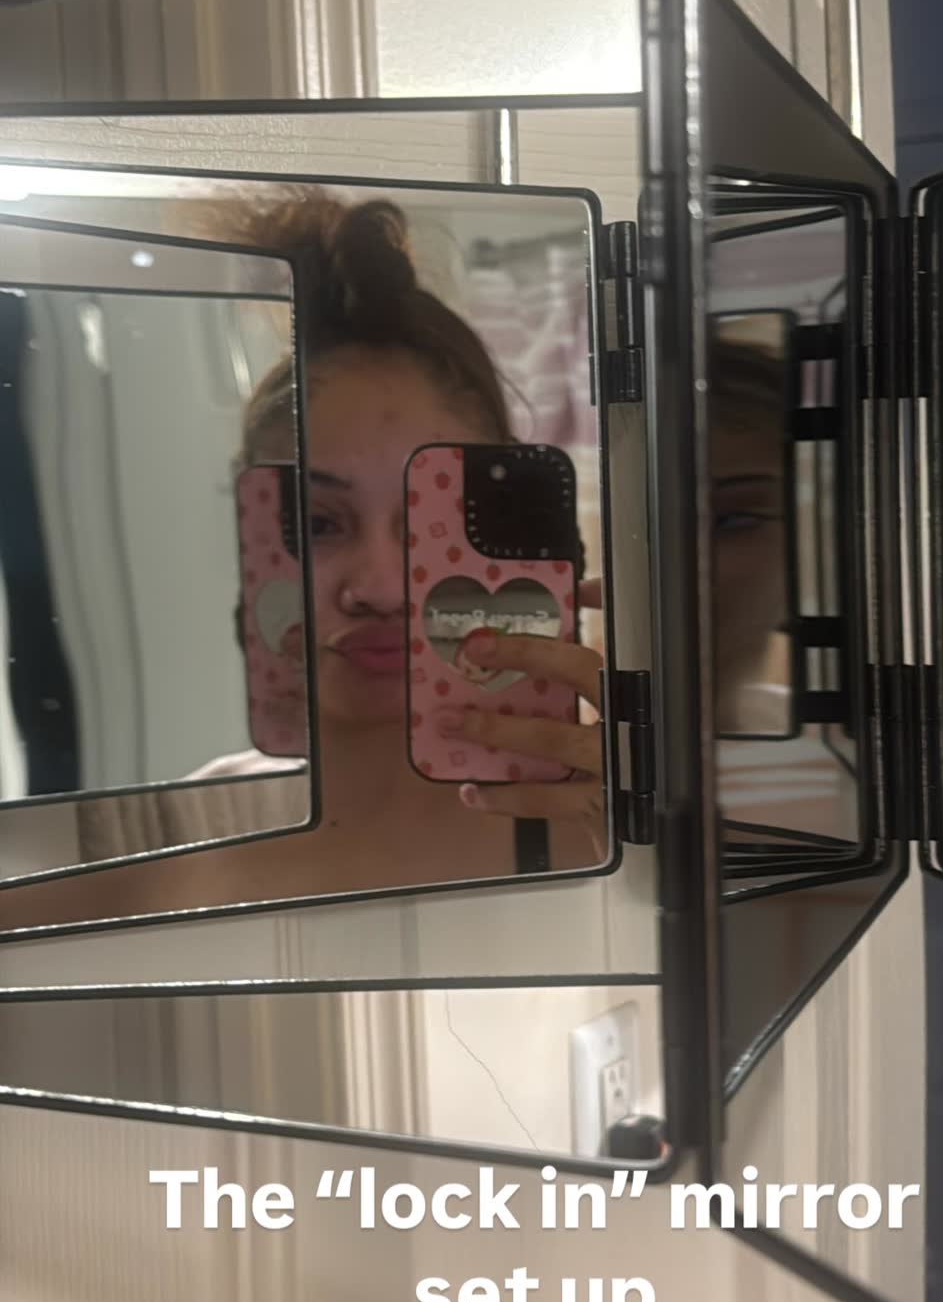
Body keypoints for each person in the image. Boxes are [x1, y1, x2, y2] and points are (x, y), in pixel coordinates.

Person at [0, 192, 606, 929]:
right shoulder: (175, 829)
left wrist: (648, 831)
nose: (378, 588)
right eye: (318, 524)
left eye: (434, 523)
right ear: (250, 538)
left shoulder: (602, 824)